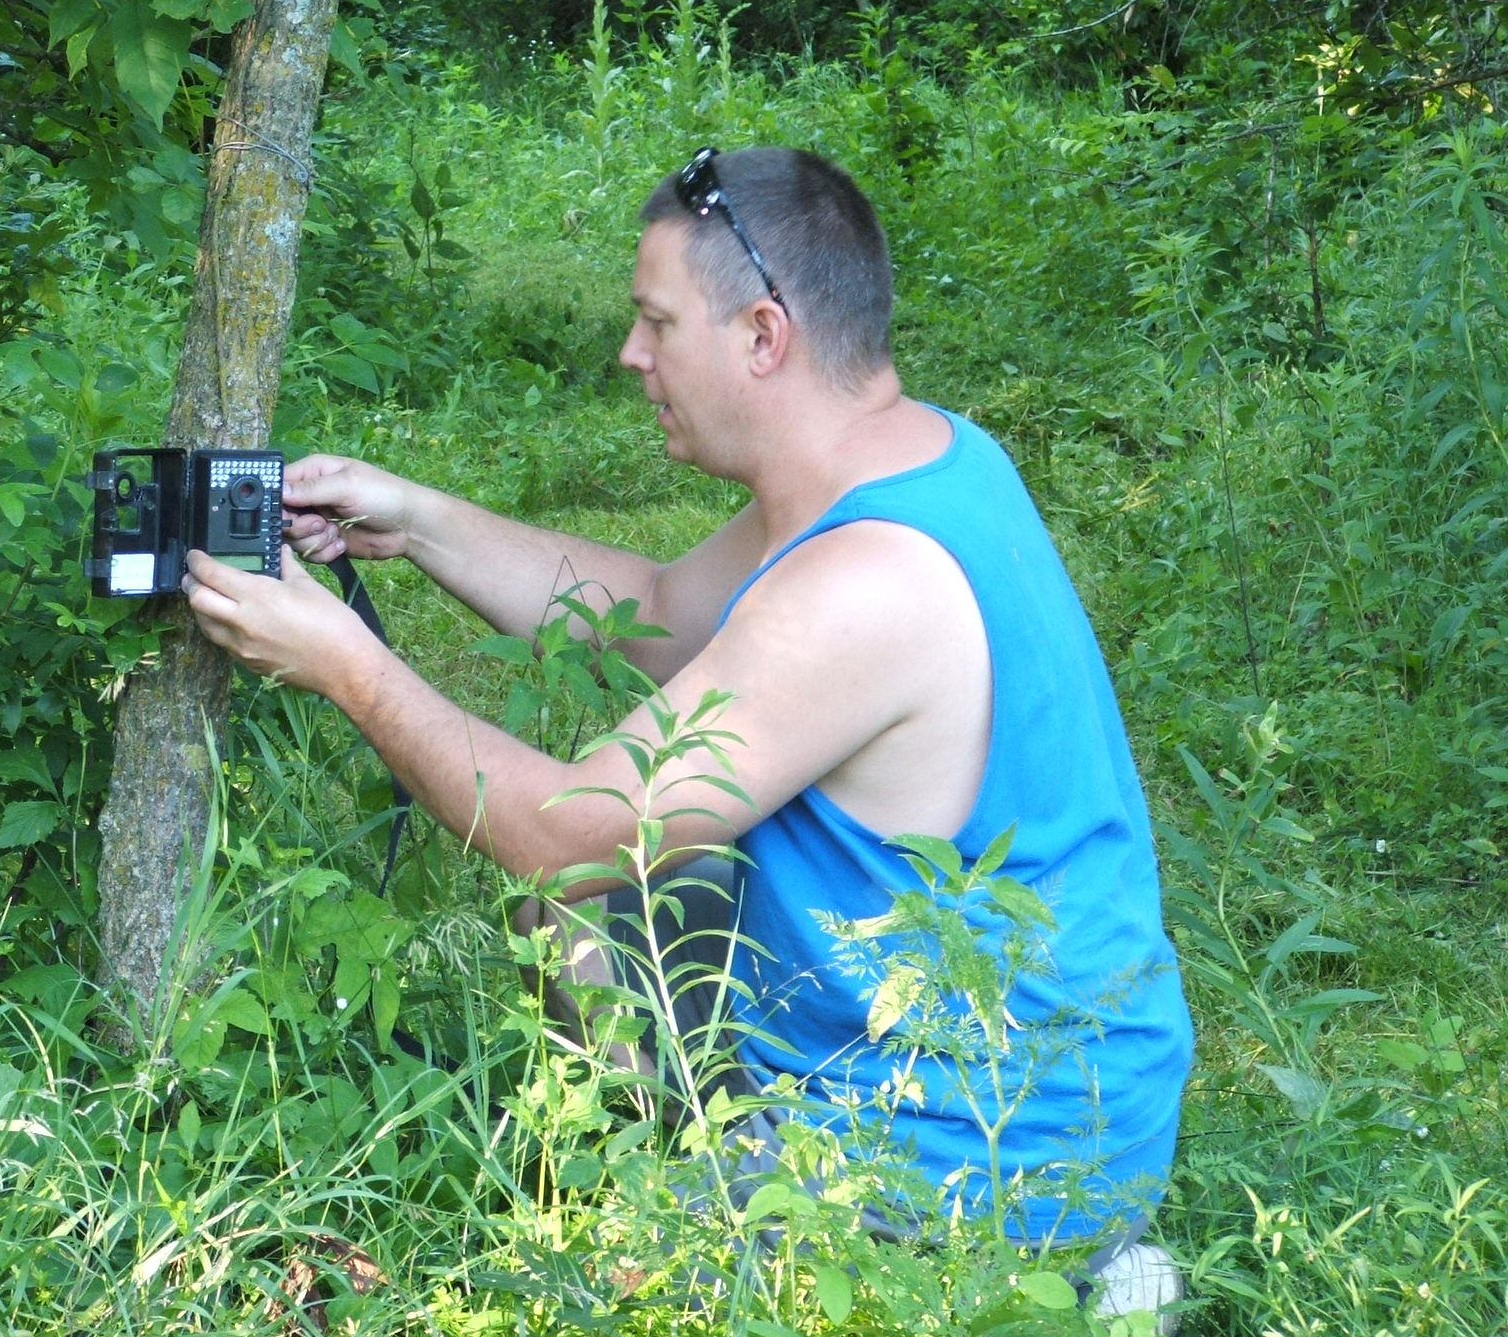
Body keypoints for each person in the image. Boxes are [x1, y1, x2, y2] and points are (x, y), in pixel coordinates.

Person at [181, 145, 1193, 1316]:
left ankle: (981, 1270)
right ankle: (705, 1177)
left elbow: (565, 832)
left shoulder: (863, 583)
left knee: (577, 922)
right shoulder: (923, 459)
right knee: (587, 916)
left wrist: (344, 666)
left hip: (981, 1146)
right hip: (1061, 1078)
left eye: (655, 322)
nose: (631, 355)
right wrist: (415, 523)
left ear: (762, 336)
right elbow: (661, 614)